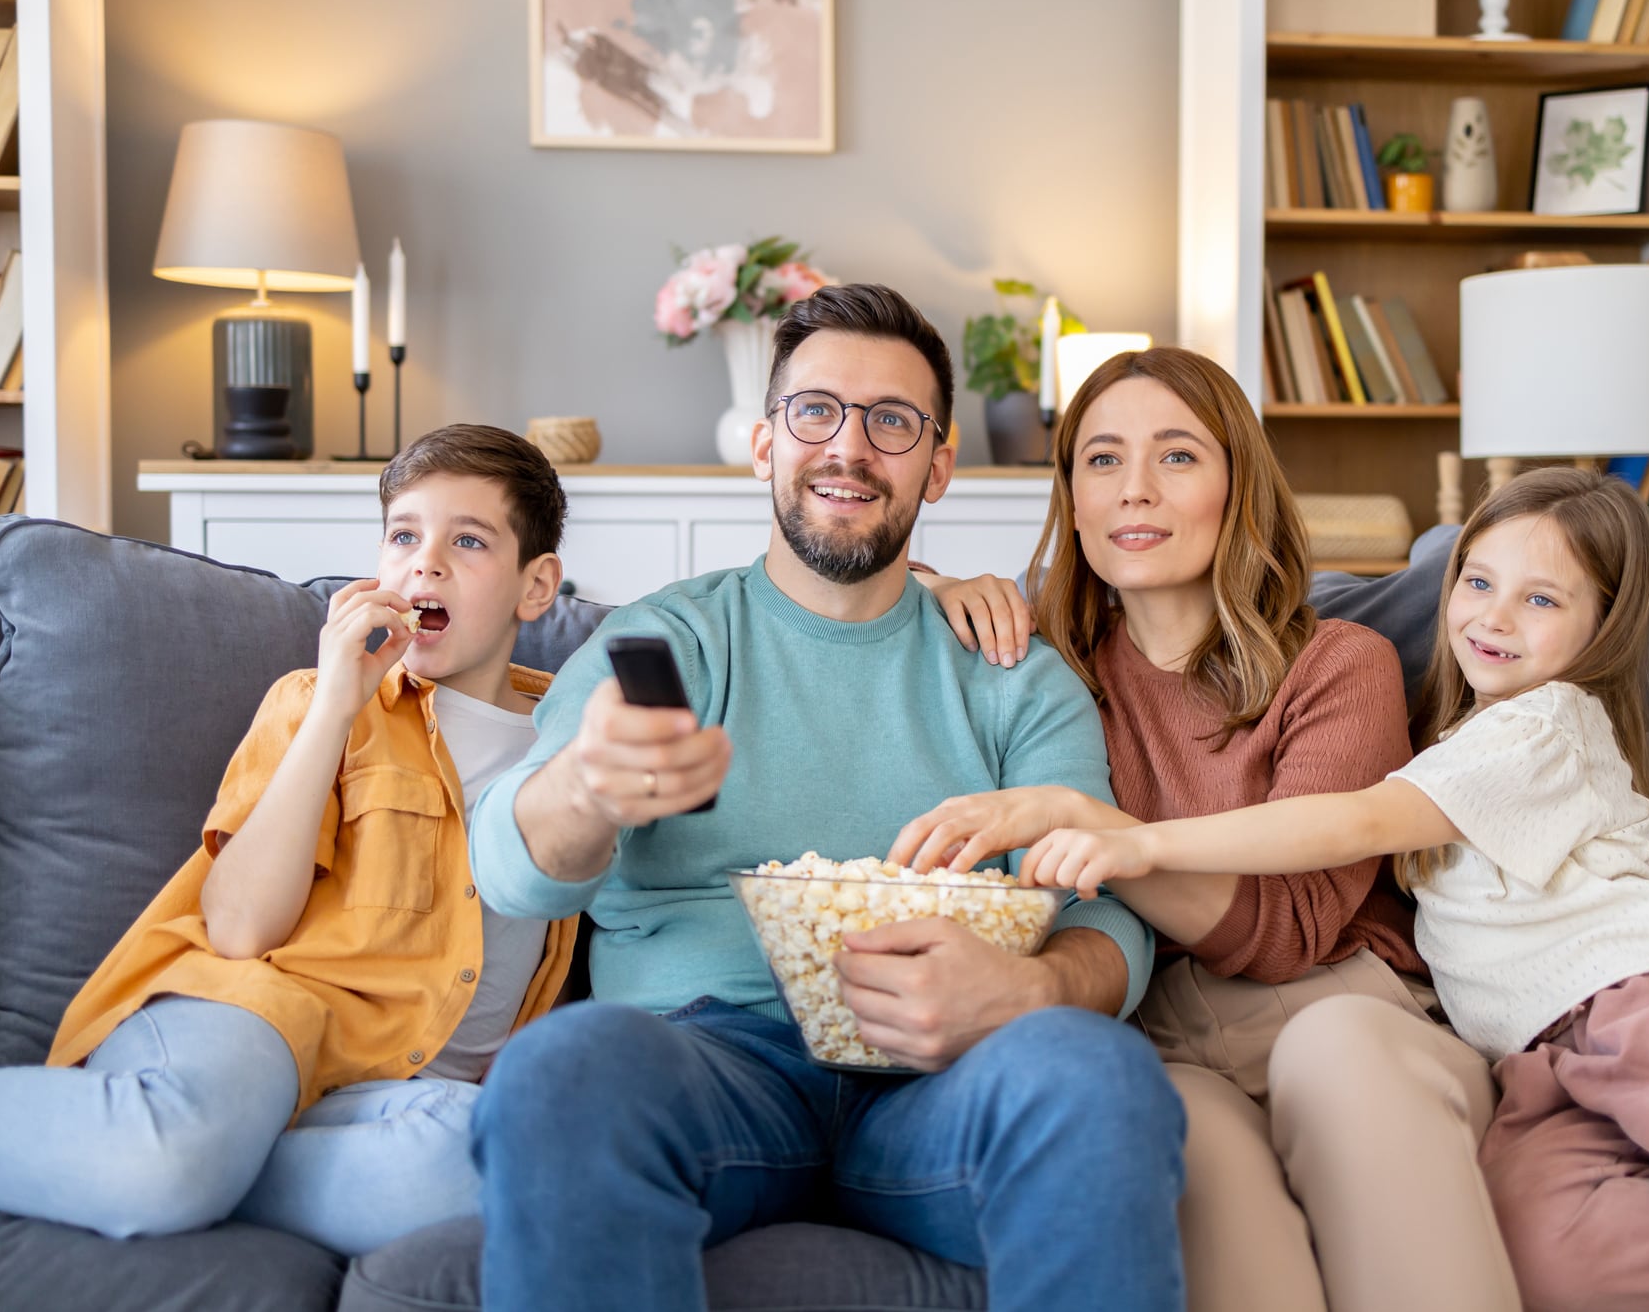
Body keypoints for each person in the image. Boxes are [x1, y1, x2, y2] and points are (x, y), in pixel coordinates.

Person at [987, 465, 1649, 1312]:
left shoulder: (1544, 725)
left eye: (1543, 600)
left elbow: (1359, 821)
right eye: (1479, 582)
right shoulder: (1460, 735)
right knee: (1544, 1262)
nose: (1494, 617)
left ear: (1600, 628)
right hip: (1542, 1060)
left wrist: (1142, 842)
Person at [466, 283, 1186, 1312]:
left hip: (948, 1080)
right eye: (815, 412)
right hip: (707, 1061)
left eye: (891, 422)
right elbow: (507, 866)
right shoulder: (672, 640)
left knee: (1098, 1074)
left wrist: (1030, 992)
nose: (848, 448)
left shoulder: (1013, 670)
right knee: (564, 1066)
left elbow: (1108, 904)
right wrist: (587, 784)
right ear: (765, 442)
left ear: (938, 465)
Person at [0, 424, 578, 1257]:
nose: (427, 563)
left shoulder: (574, 733)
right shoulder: (317, 700)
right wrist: (336, 708)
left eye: (470, 541)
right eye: (405, 535)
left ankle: (169, 1156)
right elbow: (239, 930)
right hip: (252, 1020)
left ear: (537, 586)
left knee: (474, 1178)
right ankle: (148, 1148)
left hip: (399, 1093)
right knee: (171, 1159)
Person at [898, 346, 1518, 1312]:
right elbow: (861, 611)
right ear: (1070, 498)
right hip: (1170, 1040)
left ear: (1237, 484)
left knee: (1336, 1050)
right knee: (1158, 1125)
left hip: (1350, 1011)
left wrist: (1097, 829)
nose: (1133, 491)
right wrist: (929, 590)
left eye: (1176, 456)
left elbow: (1288, 931)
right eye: (1101, 460)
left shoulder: (1336, 665)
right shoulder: (1042, 670)